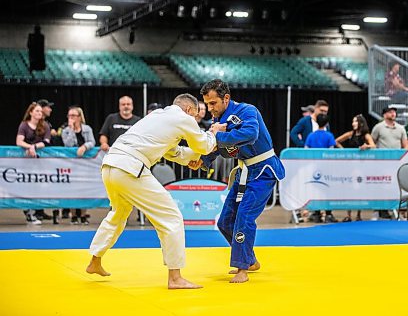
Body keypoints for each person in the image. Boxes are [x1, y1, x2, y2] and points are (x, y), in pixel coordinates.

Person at [86, 93, 226, 289]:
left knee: (118, 213)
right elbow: (203, 144)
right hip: (129, 167)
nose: (194, 121)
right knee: (171, 217)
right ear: (188, 110)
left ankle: (95, 260)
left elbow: (174, 152)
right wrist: (215, 132)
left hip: (110, 165)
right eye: (195, 116)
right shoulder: (183, 118)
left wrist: (195, 160)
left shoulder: (157, 116)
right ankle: (175, 278)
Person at [194, 79, 285, 284]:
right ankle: (250, 260)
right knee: (225, 221)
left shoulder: (247, 111)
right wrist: (202, 160)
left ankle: (242, 268)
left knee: (244, 217)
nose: (209, 109)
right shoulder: (217, 123)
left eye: (213, 103)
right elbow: (216, 147)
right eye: (207, 104)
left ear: (226, 98)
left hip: (263, 171)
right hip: (245, 171)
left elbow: (250, 134)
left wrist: (220, 135)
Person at [336, 114, 376, 221]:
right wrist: (343, 151)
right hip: (350, 165)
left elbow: (373, 146)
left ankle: (358, 214)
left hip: (362, 166)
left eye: (355, 121)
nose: (353, 123)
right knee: (349, 189)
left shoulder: (366, 135)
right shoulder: (350, 134)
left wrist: (366, 146)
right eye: (353, 121)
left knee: (360, 189)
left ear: (361, 123)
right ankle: (348, 214)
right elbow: (337, 141)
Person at [16, 102, 51, 224]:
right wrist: (30, 147)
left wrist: (34, 147)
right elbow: (19, 141)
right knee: (25, 186)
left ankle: (35, 211)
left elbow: (46, 142)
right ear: (30, 112)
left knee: (38, 186)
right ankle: (28, 211)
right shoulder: (24, 125)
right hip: (25, 162)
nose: (39, 113)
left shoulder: (45, 126)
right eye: (37, 111)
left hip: (39, 161)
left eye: (41, 112)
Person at [371, 106, 408, 220]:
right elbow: (372, 141)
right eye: (390, 112)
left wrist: (404, 156)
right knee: (381, 186)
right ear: (384, 114)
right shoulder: (379, 127)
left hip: (396, 163)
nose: (393, 114)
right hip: (382, 163)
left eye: (394, 112)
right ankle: (379, 210)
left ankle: (396, 210)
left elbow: (405, 144)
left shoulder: (401, 128)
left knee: (395, 186)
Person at [61, 106, 96, 225]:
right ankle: (74, 215)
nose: (71, 118)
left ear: (79, 117)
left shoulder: (87, 129)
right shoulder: (65, 130)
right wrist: (71, 129)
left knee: (84, 189)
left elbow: (92, 142)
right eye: (69, 116)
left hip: (85, 164)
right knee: (72, 189)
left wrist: (85, 146)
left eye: (73, 116)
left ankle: (83, 214)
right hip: (72, 164)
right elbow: (68, 144)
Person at [304, 113, 338, 223]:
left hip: (314, 167)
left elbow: (306, 150)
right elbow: (331, 152)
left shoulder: (311, 135)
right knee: (327, 190)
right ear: (327, 123)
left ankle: (317, 213)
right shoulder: (329, 136)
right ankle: (328, 214)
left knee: (316, 189)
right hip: (326, 167)